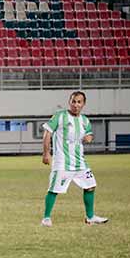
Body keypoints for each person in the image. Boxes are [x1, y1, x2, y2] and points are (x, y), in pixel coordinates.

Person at [41, 91, 108, 226]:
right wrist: (46, 153)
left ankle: (90, 217)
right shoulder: (60, 116)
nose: (76, 105)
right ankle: (46, 218)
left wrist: (89, 138)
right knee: (54, 189)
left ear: (83, 104)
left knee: (90, 186)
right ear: (69, 102)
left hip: (80, 162)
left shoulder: (85, 120)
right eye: (73, 101)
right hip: (62, 162)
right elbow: (47, 133)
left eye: (79, 102)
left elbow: (89, 134)